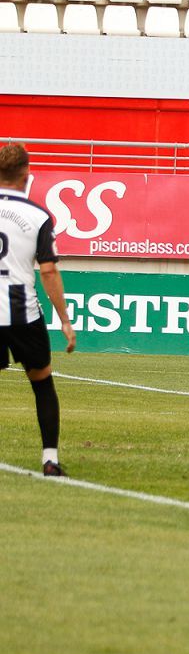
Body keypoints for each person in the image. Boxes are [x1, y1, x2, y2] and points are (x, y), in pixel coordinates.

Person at [0, 143, 76, 476]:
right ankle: (50, 459)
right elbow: (48, 270)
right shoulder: (38, 215)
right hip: (21, 313)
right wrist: (64, 320)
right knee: (42, 383)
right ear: (27, 175)